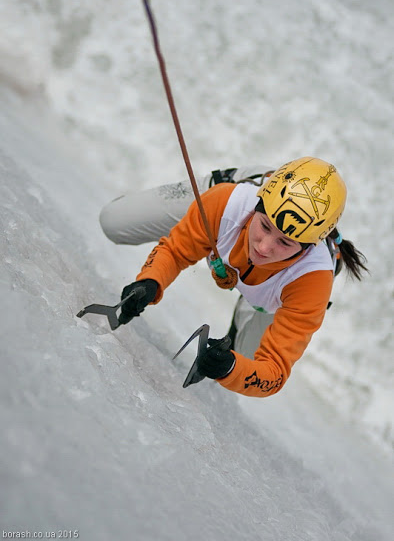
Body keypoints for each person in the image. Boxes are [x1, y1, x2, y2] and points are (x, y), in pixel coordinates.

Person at [99, 157, 368, 397]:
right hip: (224, 201)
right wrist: (151, 281)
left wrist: (229, 367)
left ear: (307, 248)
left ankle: (253, 301)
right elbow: (176, 251)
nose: (264, 248)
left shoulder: (311, 282)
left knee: (246, 360)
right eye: (264, 226)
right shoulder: (227, 202)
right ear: (255, 208)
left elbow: (273, 372)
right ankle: (207, 222)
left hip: (273, 288)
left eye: (284, 243)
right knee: (113, 222)